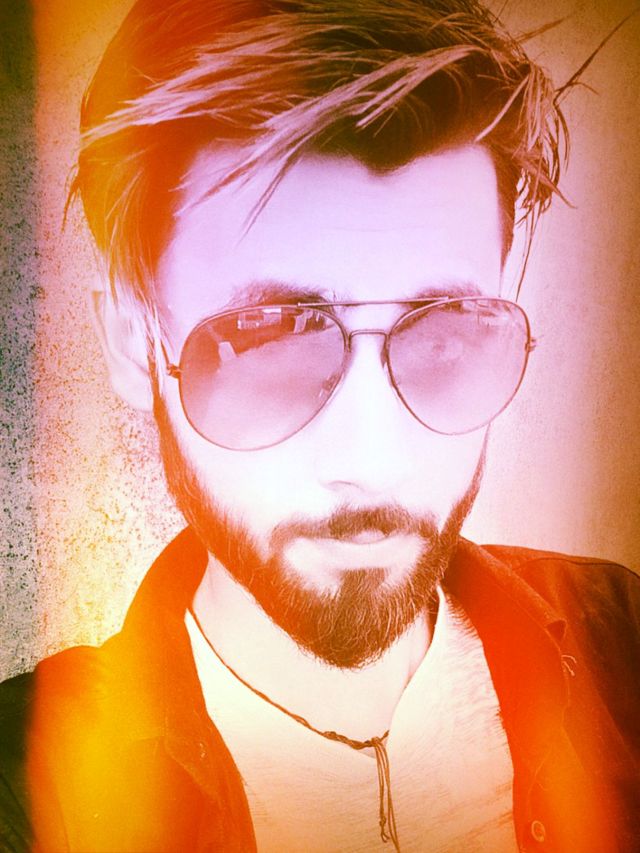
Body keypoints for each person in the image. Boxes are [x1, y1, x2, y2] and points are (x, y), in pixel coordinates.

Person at [1, 0, 639, 851]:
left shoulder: (623, 643)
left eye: (446, 332)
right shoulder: (28, 795)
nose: (374, 459)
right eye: (267, 338)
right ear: (132, 340)